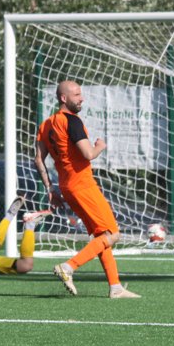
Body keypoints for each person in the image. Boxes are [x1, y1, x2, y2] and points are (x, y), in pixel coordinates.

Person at [35, 80, 140, 299]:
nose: (81, 98)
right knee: (113, 234)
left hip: (66, 187)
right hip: (82, 184)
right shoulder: (71, 120)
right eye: (76, 95)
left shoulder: (45, 125)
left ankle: (116, 287)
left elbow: (38, 160)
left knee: (102, 234)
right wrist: (100, 146)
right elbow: (89, 154)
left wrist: (50, 189)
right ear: (64, 98)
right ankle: (69, 267)